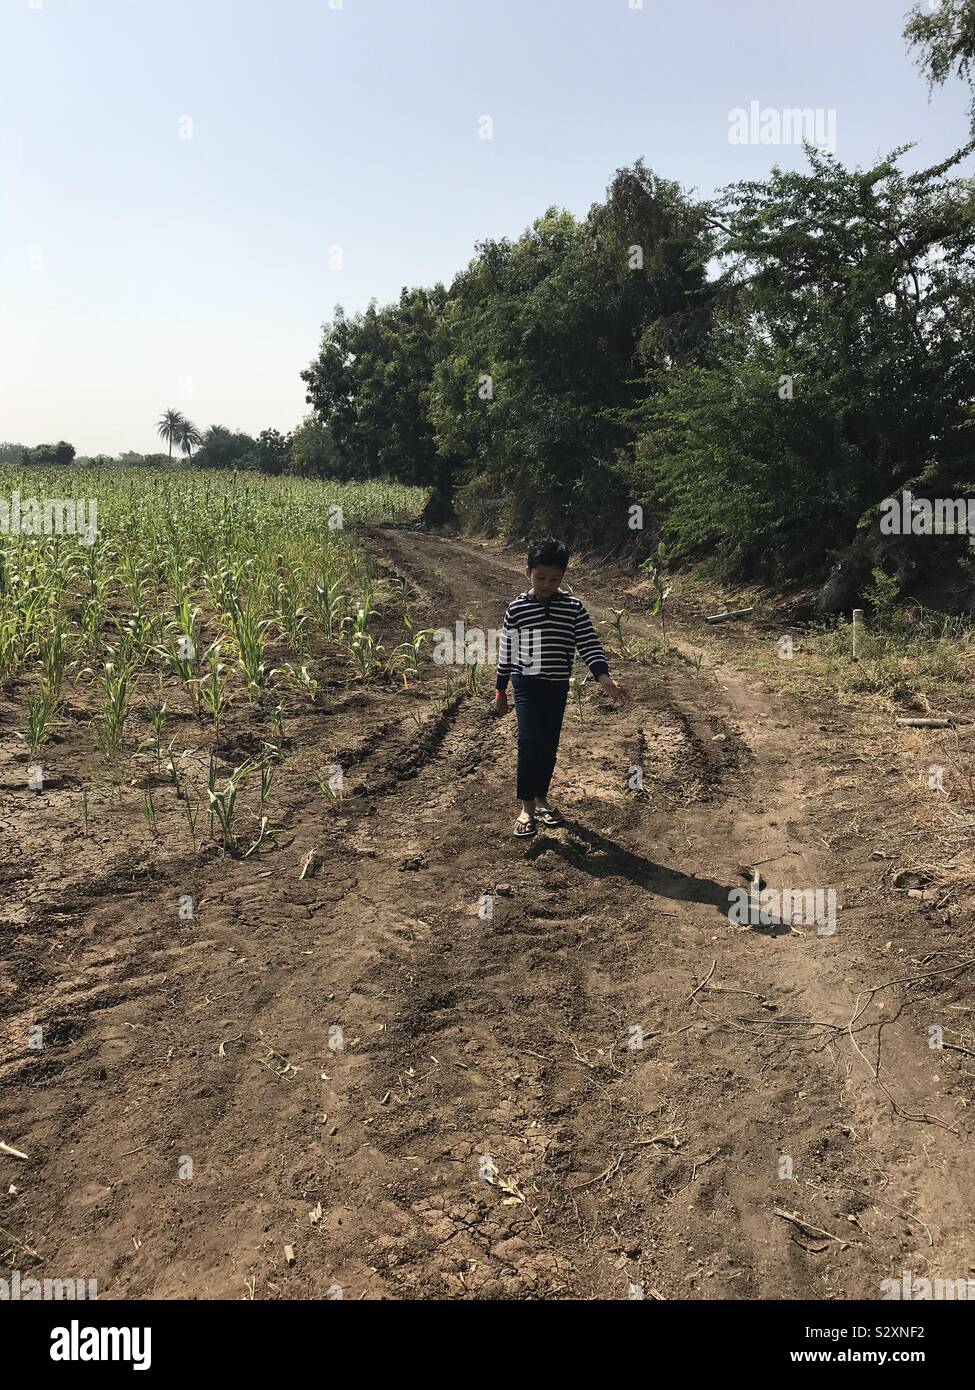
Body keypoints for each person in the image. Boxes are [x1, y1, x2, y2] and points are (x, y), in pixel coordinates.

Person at [493, 537, 626, 837]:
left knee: (548, 745)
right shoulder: (516, 609)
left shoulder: (573, 608)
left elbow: (588, 643)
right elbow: (507, 652)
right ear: (527, 571)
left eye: (555, 579)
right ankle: (527, 808)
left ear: (563, 577)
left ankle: (542, 799)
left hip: (556, 687)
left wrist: (603, 677)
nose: (546, 584)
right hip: (525, 684)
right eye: (540, 577)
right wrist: (500, 690)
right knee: (529, 743)